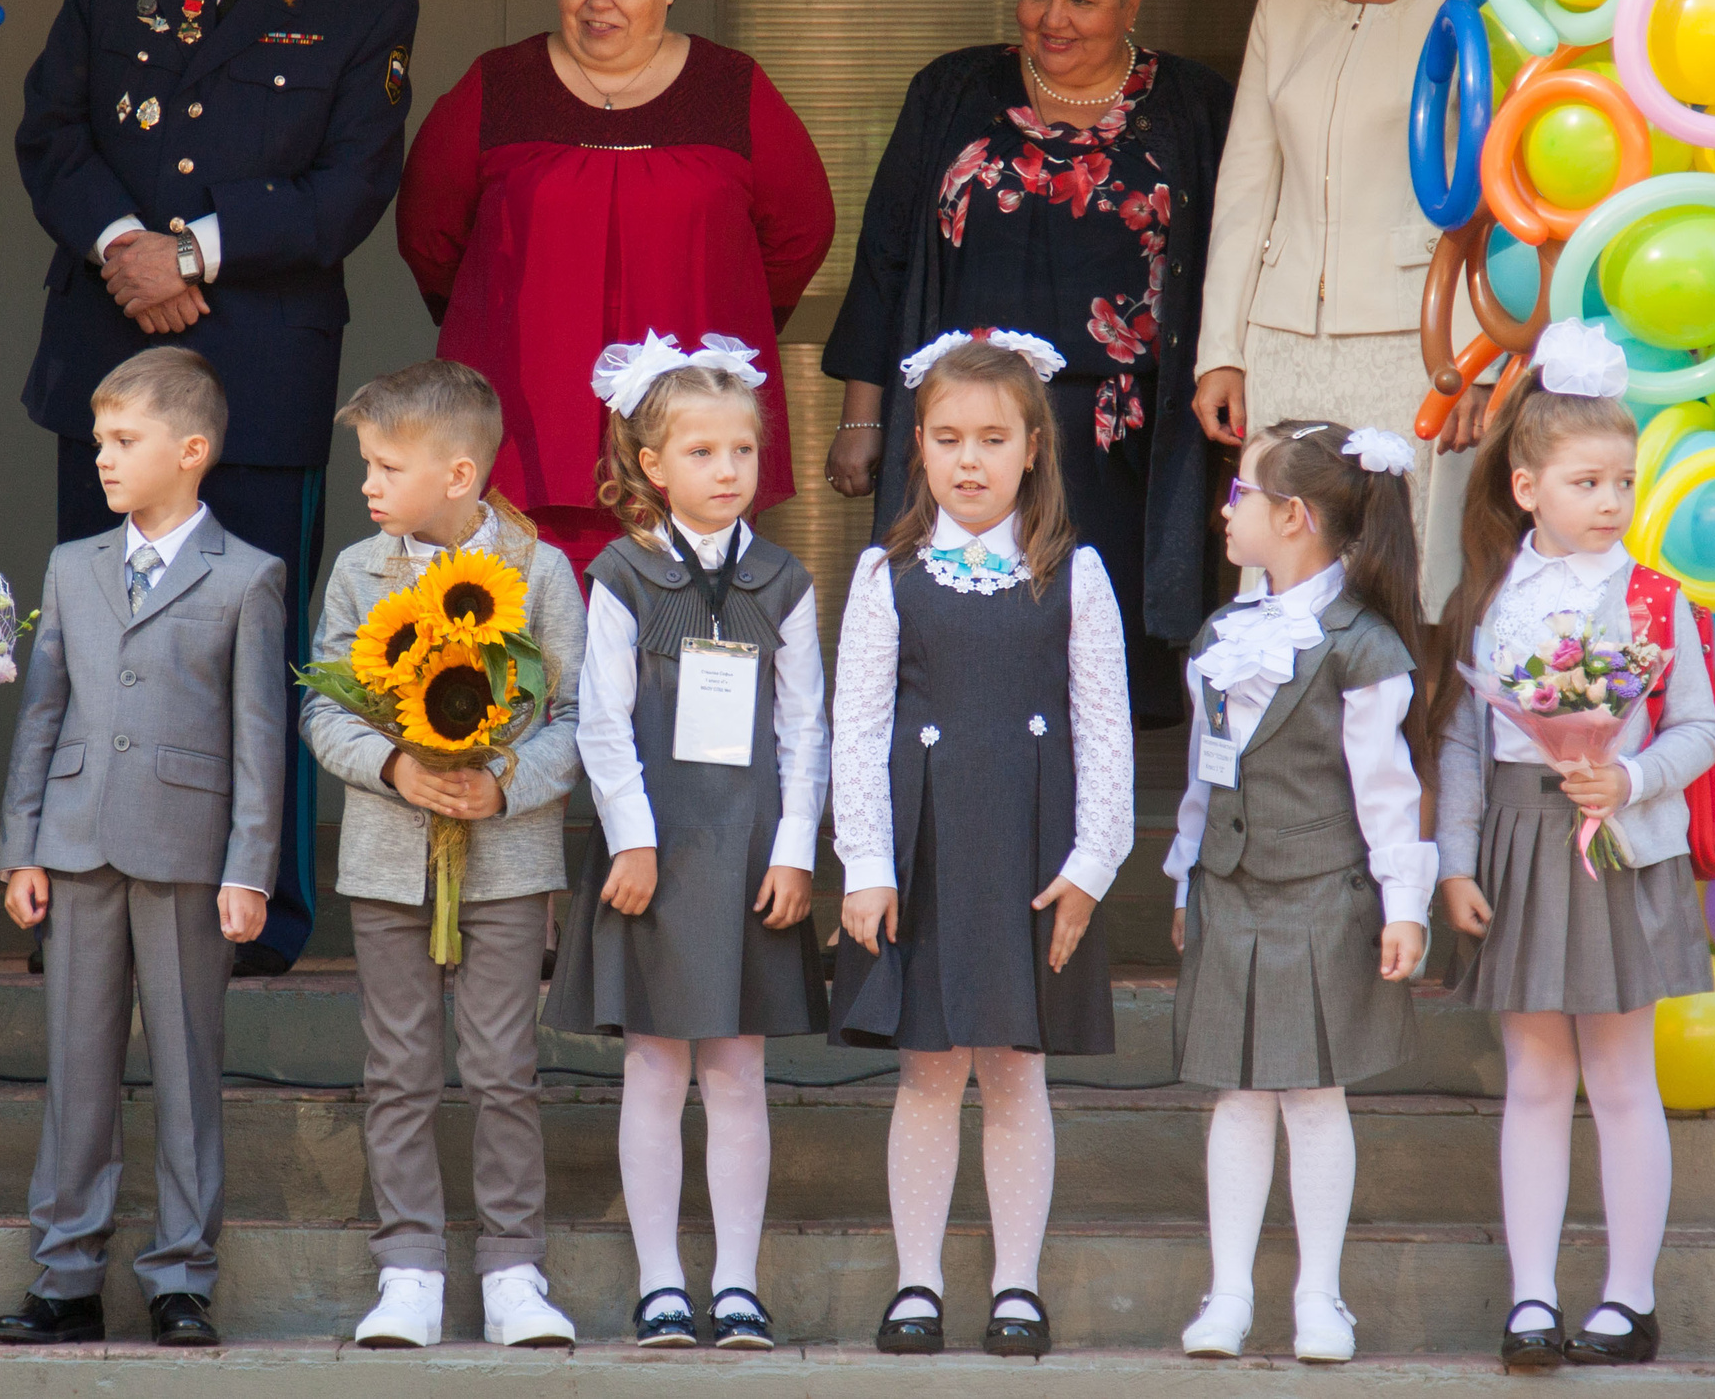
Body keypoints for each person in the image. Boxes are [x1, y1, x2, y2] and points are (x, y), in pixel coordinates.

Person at [16, 0, 417, 975]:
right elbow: (51, 131)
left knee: (255, 650)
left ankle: (259, 912)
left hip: (260, 371)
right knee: (95, 638)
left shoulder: (366, 4)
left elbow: (351, 190)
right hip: (107, 351)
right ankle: (75, 902)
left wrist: (189, 255)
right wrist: (127, 245)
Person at [823, 0, 1231, 719]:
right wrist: (863, 420)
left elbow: (1234, 262)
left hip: (1122, 446)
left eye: (1082, 0)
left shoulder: (1193, 106)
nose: (1055, 19)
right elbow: (886, 257)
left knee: (1104, 683)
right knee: (963, 672)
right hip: (965, 438)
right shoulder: (952, 91)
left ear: (1133, 1)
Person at [828, 331, 1134, 1358]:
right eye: (949, 438)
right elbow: (857, 729)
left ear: (1033, 446)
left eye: (992, 439)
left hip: (1030, 852)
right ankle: (915, 1281)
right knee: (925, 1068)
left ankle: (1015, 1283)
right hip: (925, 849)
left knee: (1011, 1066)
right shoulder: (886, 573)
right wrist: (866, 864)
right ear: (916, 444)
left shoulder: (1074, 574)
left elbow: (1104, 730)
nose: (970, 459)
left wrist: (1090, 865)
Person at [397, 0, 834, 574]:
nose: (598, 2)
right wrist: (507, 322)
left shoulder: (732, 90)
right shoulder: (498, 86)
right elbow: (430, 235)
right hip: (521, 443)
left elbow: (799, 233)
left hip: (687, 447)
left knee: (675, 655)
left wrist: (726, 315)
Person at [1429, 322, 1715, 1370]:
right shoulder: (1486, 600)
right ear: (1524, 485)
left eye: (1623, 480)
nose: (1611, 500)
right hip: (1517, 839)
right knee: (1536, 1076)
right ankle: (1530, 1296)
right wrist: (1453, 859)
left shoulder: (1654, 599)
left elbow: (1698, 727)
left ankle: (1627, 1298)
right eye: (1587, 479)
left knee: (1621, 1074)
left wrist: (1629, 774)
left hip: (1620, 848)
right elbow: (1463, 740)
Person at [0, 349, 286, 1350]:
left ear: (190, 451)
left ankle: (181, 1274)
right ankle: (65, 1272)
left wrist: (251, 866)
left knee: (189, 1068)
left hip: (192, 855)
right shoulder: (73, 564)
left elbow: (260, 735)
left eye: (125, 440)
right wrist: (19, 844)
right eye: (101, 440)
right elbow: (43, 710)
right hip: (74, 845)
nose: (105, 458)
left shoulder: (248, 575)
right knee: (77, 1063)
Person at [543, 336, 829, 1351]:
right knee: (657, 1069)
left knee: (739, 1067)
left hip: (750, 853)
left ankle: (738, 1280)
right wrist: (631, 838)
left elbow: (806, 728)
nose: (726, 471)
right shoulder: (621, 574)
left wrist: (795, 848)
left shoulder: (784, 581)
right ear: (651, 465)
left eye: (742, 451)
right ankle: (662, 1280)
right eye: (702, 452)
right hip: (654, 856)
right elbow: (601, 721)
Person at [303, 359, 583, 1351]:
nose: (369, 484)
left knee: (503, 1065)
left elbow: (573, 716)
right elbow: (323, 706)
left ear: (458, 473)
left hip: (506, 862)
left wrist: (505, 782)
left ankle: (513, 1268)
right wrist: (390, 763)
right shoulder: (355, 570)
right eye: (366, 464)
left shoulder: (539, 572)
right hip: (387, 860)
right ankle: (409, 1266)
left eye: (386, 465)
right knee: (399, 1067)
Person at [1163, 421, 1435, 1365]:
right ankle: (1228, 1293)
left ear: (1293, 516)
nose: (1225, 510)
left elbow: (1386, 787)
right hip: (1230, 890)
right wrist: (1183, 869)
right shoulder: (1226, 632)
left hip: (1324, 889)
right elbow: (1206, 772)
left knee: (1315, 1095)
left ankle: (1320, 1295)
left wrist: (1406, 903)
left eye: (1241, 495)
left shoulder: (1361, 645)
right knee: (1237, 1093)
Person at [1193, 0, 1482, 610]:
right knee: (1282, 575)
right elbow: (1246, 187)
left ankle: (1408, 742)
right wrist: (1223, 349)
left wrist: (1476, 363)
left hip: (1419, 344)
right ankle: (1286, 740)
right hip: (1284, 340)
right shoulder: (1282, 2)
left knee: (1412, 576)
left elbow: (1492, 193)